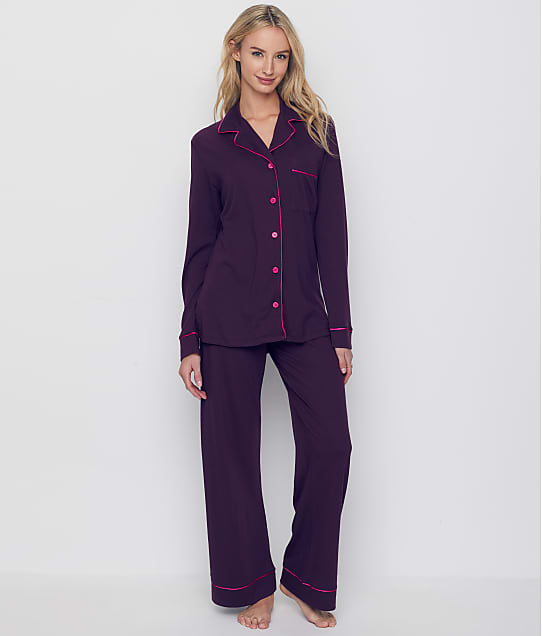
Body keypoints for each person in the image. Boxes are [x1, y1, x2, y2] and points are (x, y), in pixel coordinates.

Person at [178, 5, 354, 630]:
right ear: (236, 53)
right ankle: (249, 583)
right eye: (257, 53)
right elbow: (201, 245)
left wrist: (340, 331)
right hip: (226, 317)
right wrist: (190, 337)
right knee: (229, 454)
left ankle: (305, 577)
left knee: (331, 444)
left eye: (280, 56)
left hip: (304, 315)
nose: (269, 67)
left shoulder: (316, 135)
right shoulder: (210, 146)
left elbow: (332, 238)